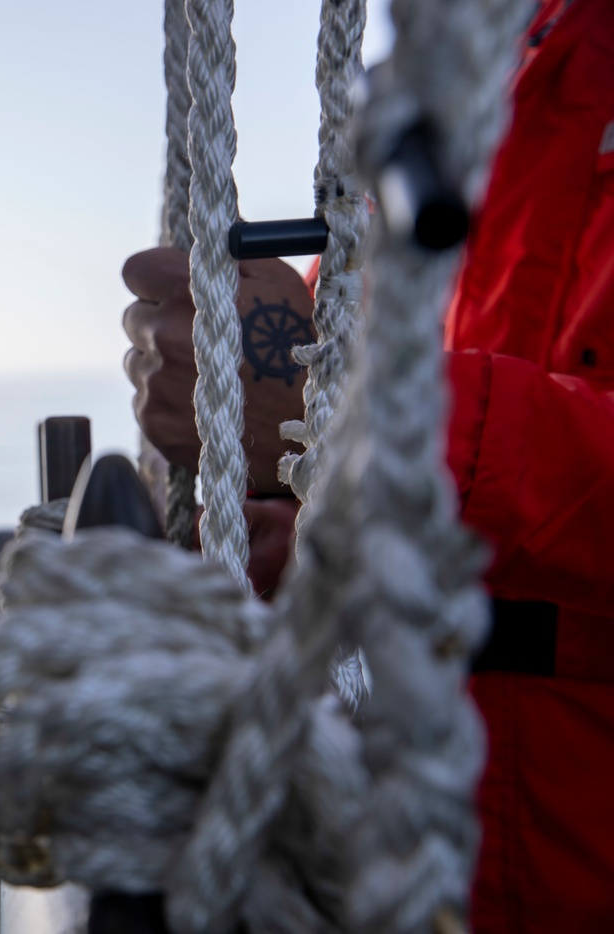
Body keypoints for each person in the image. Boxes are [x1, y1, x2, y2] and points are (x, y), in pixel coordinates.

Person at [122, 0, 614, 929]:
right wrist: (303, 518)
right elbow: (341, 342)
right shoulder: (459, 88)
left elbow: (339, 382)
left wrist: (351, 420)